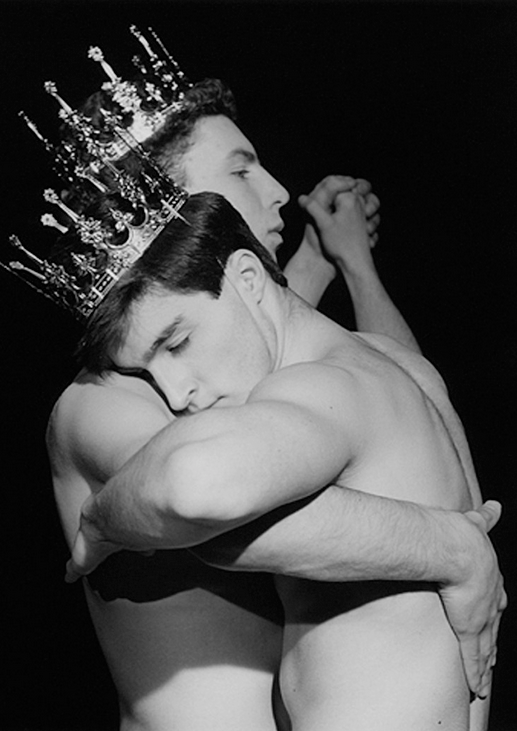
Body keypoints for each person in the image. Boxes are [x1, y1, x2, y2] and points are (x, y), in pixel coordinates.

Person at [47, 72, 434, 730]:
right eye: (242, 168)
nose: (279, 190)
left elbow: (415, 403)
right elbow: (206, 510)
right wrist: (453, 549)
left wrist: (345, 262)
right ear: (172, 213)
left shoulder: (226, 379)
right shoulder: (101, 402)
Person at [63, 191, 505, 730]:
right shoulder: (396, 366)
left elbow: (194, 488)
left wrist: (103, 519)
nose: (177, 394)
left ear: (248, 279)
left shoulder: (318, 385)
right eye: (149, 374)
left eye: (177, 344)